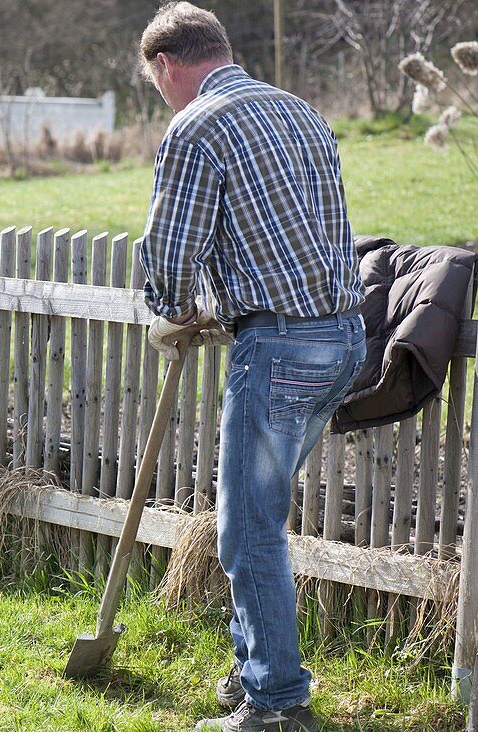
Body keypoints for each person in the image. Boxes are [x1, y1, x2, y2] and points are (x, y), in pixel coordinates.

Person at [136, 3, 367, 731]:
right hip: (343, 338)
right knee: (259, 516)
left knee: (247, 530)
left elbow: (172, 245)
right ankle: (252, 669)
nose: (162, 94)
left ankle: (277, 704)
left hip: (281, 349)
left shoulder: (196, 125)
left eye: (156, 83)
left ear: (167, 66)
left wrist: (168, 309)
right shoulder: (300, 110)